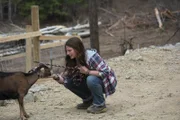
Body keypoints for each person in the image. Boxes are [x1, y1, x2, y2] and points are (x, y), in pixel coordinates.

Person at [52, 37, 117, 114]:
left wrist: (88, 72)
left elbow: (106, 73)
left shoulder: (91, 56)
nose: (67, 53)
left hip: (107, 81)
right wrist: (60, 79)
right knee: (69, 82)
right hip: (93, 79)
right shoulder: (73, 59)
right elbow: (67, 79)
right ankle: (89, 101)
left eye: (70, 50)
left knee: (91, 79)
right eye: (66, 51)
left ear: (77, 49)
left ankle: (100, 105)